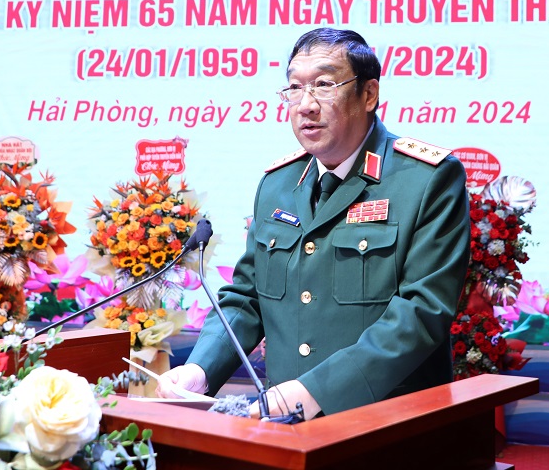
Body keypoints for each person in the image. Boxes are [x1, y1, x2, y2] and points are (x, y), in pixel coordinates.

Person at [157, 28, 470, 418]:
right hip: (283, 425)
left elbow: (421, 313)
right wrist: (200, 369)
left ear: (369, 94)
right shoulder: (278, 184)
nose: (305, 105)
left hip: (386, 422)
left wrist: (317, 391)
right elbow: (248, 298)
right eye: (294, 88)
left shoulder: (425, 180)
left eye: (323, 85)